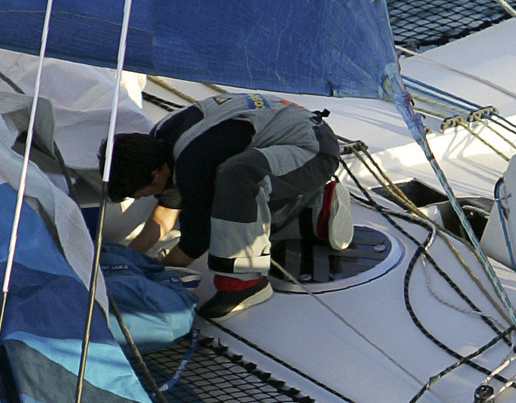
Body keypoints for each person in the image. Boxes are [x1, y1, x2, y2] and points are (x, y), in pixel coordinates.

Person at [104, 90, 349, 320]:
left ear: (155, 174)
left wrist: (152, 274)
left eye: (141, 193)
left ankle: (245, 283)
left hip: (313, 149)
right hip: (288, 134)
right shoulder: (161, 141)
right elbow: (165, 214)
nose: (144, 198)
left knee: (237, 177)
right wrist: (131, 258)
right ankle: (313, 210)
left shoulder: (193, 161)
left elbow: (196, 241)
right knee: (229, 208)